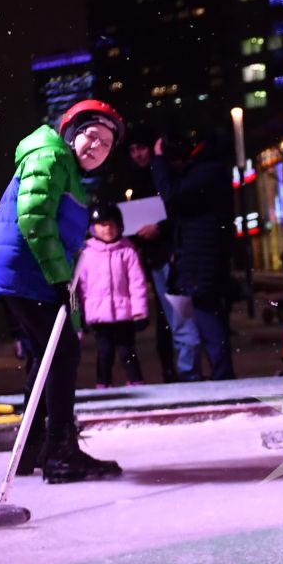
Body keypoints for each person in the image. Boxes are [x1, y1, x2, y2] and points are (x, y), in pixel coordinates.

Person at [0, 99, 126, 483]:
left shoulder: (65, 167)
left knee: (46, 357)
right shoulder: (49, 155)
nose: (96, 147)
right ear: (71, 132)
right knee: (62, 354)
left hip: (27, 271)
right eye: (91, 136)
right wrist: (59, 278)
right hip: (26, 270)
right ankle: (61, 452)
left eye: (106, 145)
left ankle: (35, 446)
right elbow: (33, 217)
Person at [151, 131, 238, 380]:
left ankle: (223, 376)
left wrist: (158, 160)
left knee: (208, 317)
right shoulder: (207, 169)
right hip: (204, 257)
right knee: (209, 316)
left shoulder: (206, 171)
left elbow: (170, 194)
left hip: (204, 259)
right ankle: (222, 374)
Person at [121, 126, 183, 383]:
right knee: (166, 319)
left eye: (141, 148)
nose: (137, 155)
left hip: (168, 252)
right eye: (133, 150)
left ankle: (180, 370)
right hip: (152, 255)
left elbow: (176, 209)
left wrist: (159, 228)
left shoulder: (163, 174)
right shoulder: (136, 179)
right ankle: (171, 370)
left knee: (176, 317)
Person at [71, 204, 152, 388]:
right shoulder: (86, 253)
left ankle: (136, 381)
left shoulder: (127, 251)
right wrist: (80, 315)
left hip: (124, 314)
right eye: (102, 224)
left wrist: (139, 312)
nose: (107, 229)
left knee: (127, 351)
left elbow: (136, 283)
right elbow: (80, 286)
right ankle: (103, 383)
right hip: (99, 316)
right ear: (92, 227)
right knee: (104, 352)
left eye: (111, 224)